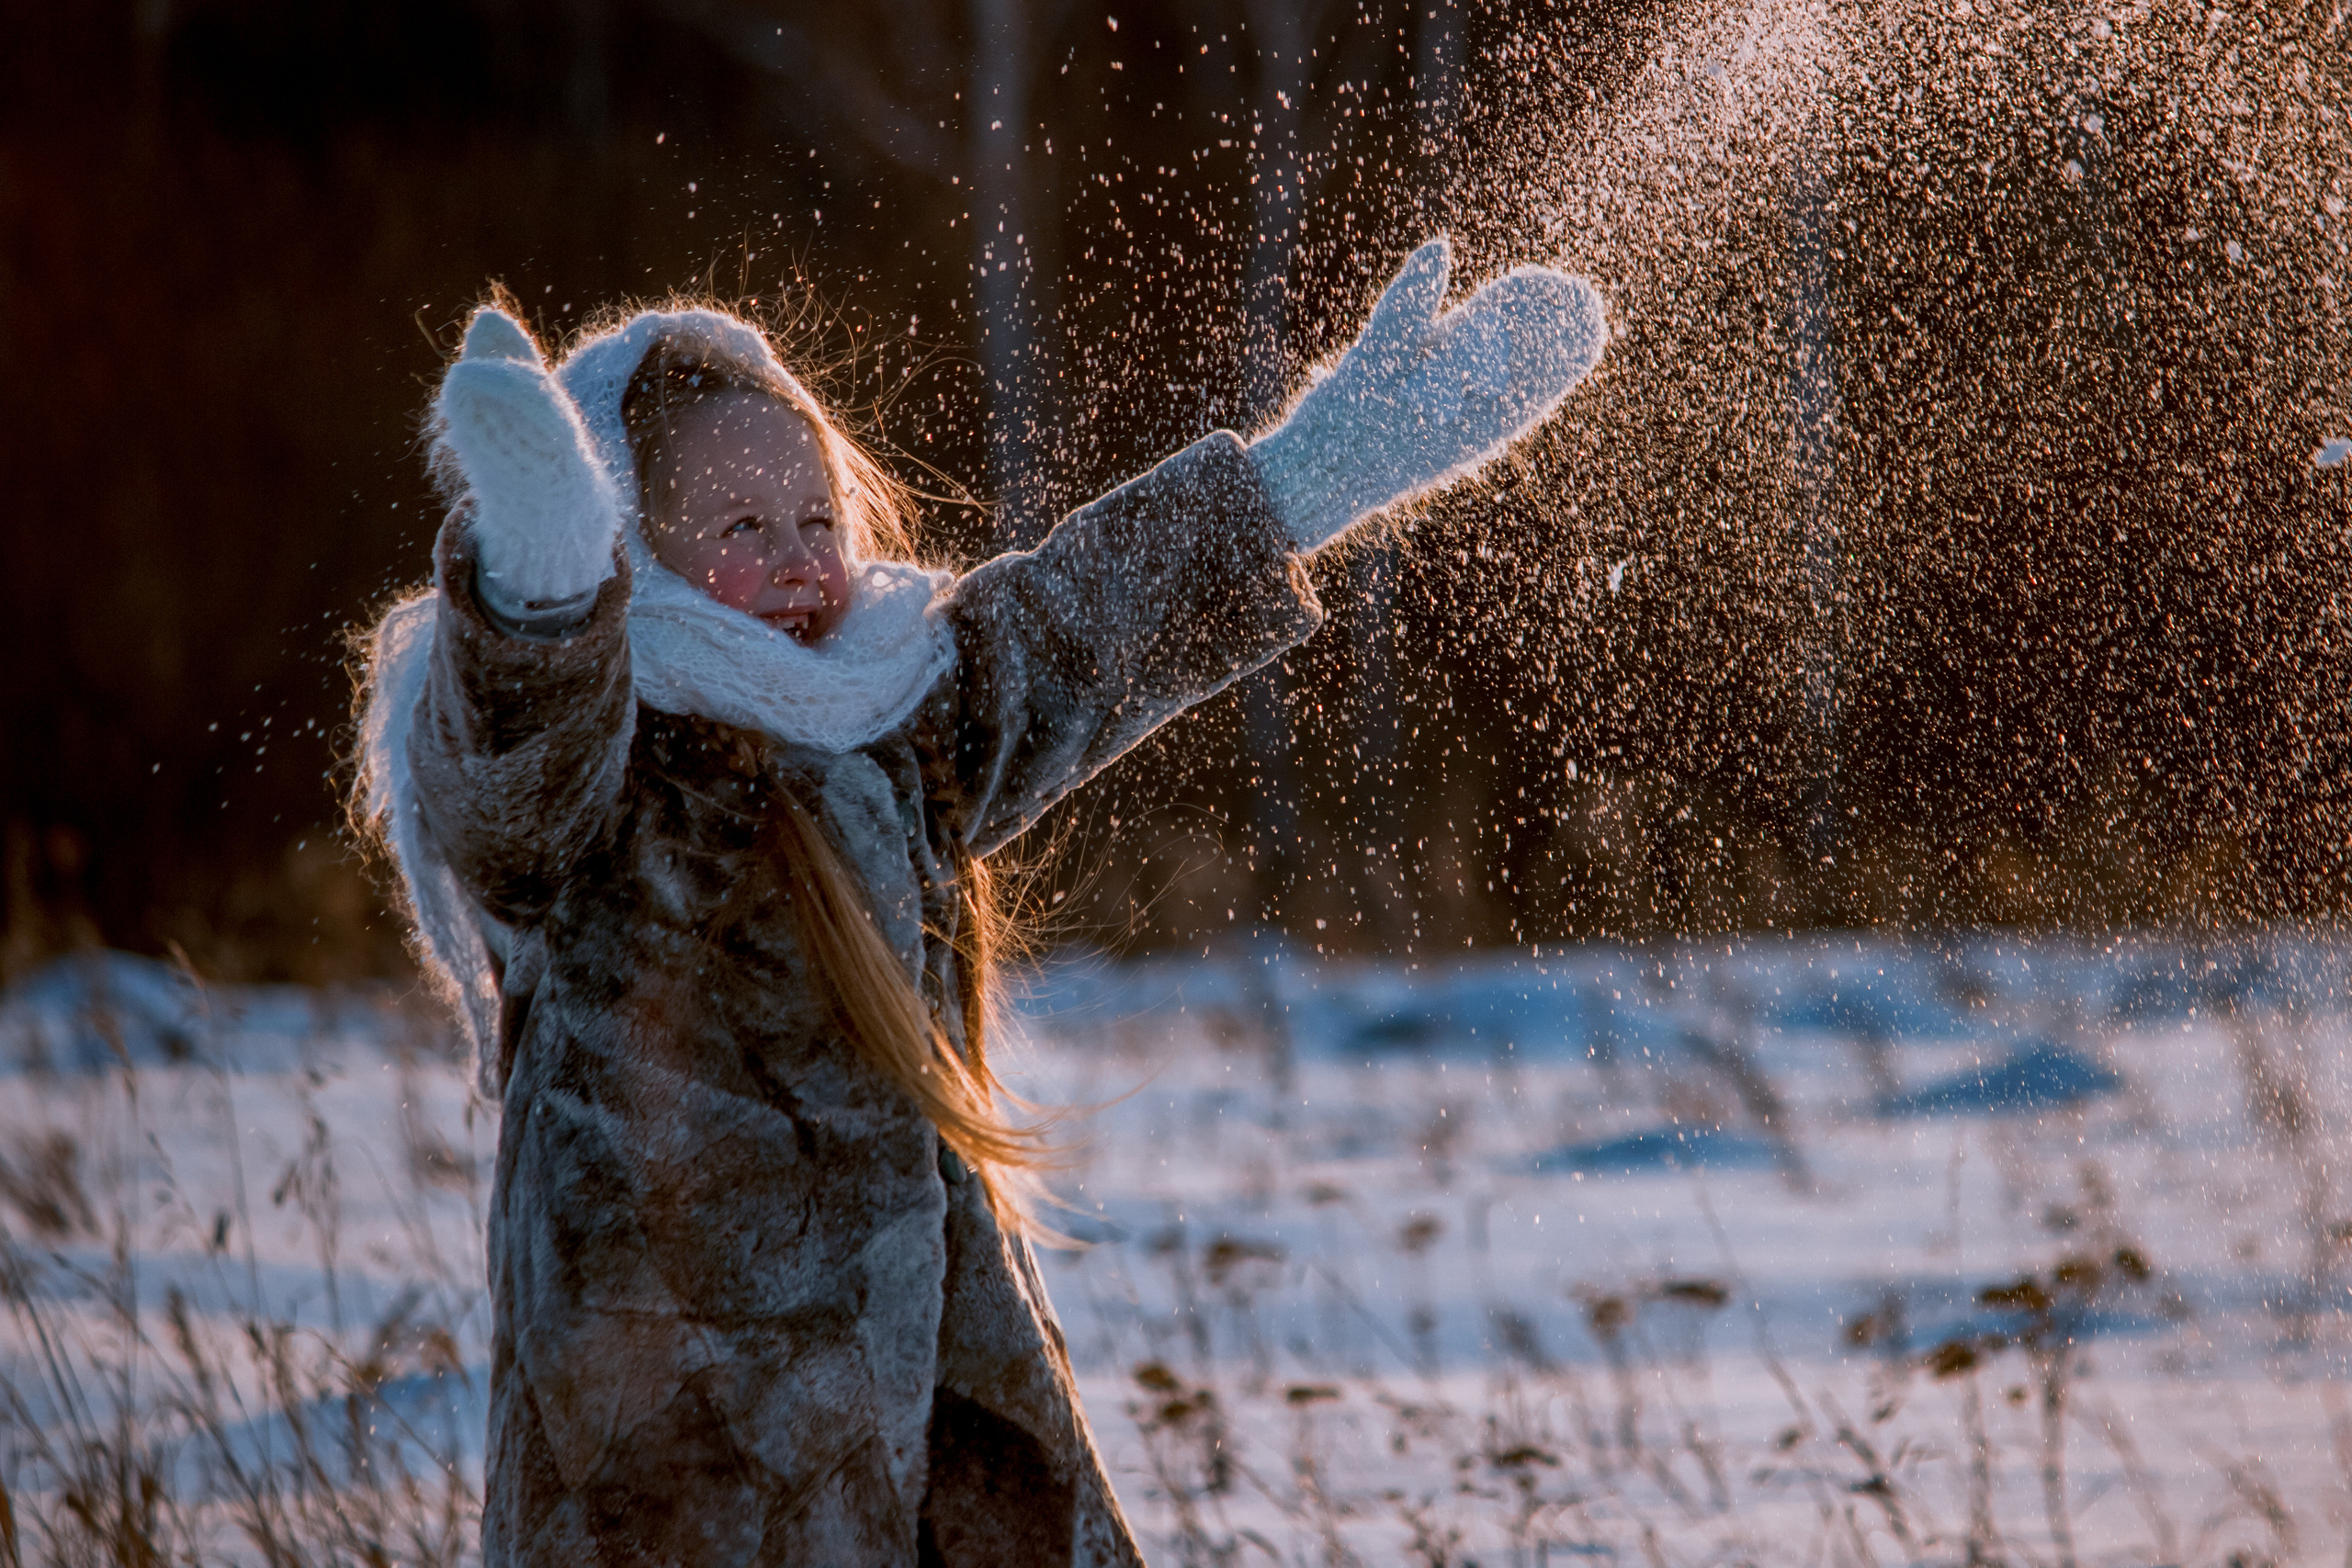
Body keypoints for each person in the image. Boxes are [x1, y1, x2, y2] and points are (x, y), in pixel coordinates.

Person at [356, 238, 1604, 1565]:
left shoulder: (890, 721)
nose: (795, 561)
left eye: (814, 520)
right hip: (675, 1457)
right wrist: (541, 596)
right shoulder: (611, 787)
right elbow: (506, 775)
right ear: (636, 556)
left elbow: (1078, 632)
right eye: (738, 530)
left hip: (946, 1408)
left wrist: (1319, 470)